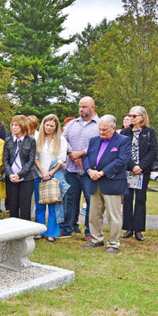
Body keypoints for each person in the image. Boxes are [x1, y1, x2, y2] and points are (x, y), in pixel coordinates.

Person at [83, 115, 130, 254]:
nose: (102, 132)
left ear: (113, 128)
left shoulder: (123, 141)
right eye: (100, 129)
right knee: (93, 214)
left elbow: (121, 161)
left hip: (113, 182)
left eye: (105, 130)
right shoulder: (94, 140)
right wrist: (89, 170)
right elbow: (86, 157)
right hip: (94, 181)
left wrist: (103, 172)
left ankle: (113, 243)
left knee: (113, 216)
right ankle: (96, 239)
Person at [60, 97, 100, 240]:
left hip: (89, 170)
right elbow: (62, 139)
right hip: (71, 169)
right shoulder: (72, 124)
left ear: (92, 107)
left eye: (84, 107)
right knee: (69, 200)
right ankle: (66, 228)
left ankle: (90, 232)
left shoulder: (99, 125)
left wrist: (81, 153)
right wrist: (72, 153)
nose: (81, 109)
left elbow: (99, 144)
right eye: (79, 106)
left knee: (91, 201)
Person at [120, 106, 158, 241]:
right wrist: (132, 165)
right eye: (130, 115)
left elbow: (153, 151)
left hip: (143, 171)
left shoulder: (150, 131)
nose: (131, 118)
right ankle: (128, 228)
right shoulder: (125, 132)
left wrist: (140, 166)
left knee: (141, 199)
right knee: (128, 199)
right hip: (128, 170)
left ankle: (138, 229)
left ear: (142, 117)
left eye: (134, 116)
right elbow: (122, 151)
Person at [33, 114, 68, 242]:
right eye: (46, 125)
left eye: (51, 126)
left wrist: (50, 173)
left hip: (54, 176)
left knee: (53, 204)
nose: (48, 128)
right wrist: (43, 171)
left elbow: (61, 159)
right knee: (40, 205)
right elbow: (35, 157)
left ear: (56, 127)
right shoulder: (38, 138)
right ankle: (39, 231)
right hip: (39, 174)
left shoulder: (61, 140)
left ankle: (52, 232)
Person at [3, 115, 37, 221]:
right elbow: (5, 160)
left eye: (16, 125)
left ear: (23, 126)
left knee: (25, 207)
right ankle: (14, 233)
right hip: (11, 178)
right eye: (12, 125)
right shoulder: (8, 140)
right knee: (13, 206)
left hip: (26, 178)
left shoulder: (30, 141)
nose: (13, 127)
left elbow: (31, 161)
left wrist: (19, 175)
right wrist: (10, 174)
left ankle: (25, 233)